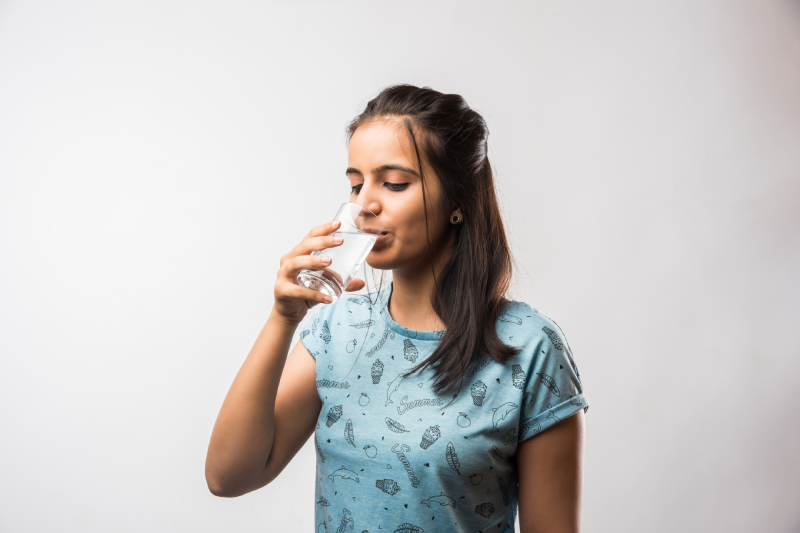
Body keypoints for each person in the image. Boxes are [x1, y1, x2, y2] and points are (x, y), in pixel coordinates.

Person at [205, 84, 589, 533]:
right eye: (355, 183)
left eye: (393, 183)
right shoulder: (336, 328)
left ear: (459, 201)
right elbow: (227, 476)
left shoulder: (528, 347)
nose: (364, 204)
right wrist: (282, 319)